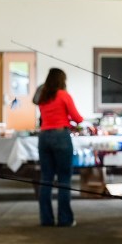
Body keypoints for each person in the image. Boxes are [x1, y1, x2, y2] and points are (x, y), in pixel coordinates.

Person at [35, 68, 84, 227]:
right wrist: (72, 121)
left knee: (46, 179)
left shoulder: (43, 96)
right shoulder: (64, 95)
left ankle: (46, 219)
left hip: (44, 137)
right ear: (62, 80)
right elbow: (77, 118)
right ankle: (65, 219)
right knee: (64, 179)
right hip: (61, 136)